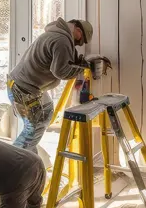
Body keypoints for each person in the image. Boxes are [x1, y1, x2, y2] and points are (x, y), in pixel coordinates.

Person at [7, 18, 93, 152]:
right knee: (34, 127)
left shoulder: (57, 35)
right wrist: (81, 69)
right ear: (77, 30)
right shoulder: (62, 40)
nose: (78, 44)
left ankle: (29, 160)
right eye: (80, 40)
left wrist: (78, 63)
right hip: (23, 89)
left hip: (24, 86)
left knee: (44, 114)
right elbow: (61, 72)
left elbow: (64, 60)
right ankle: (13, 162)